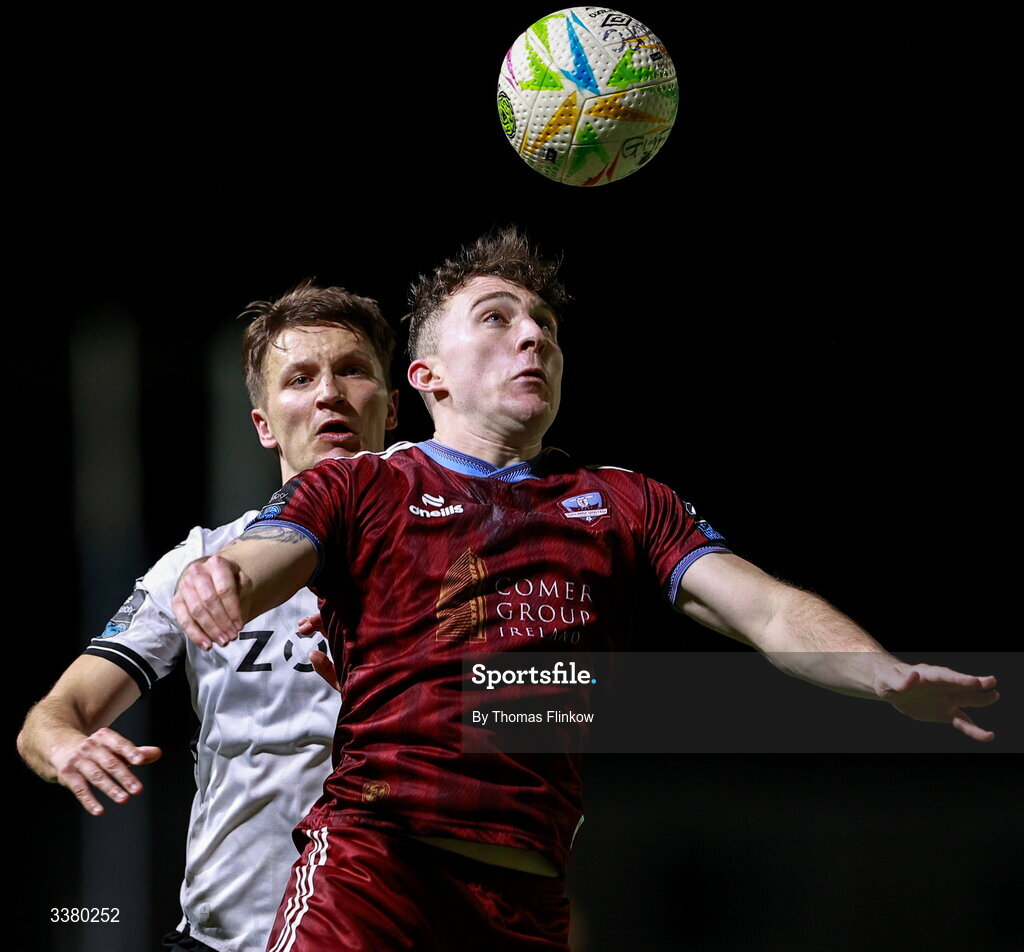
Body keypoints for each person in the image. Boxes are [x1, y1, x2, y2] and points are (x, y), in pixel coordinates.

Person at [173, 230, 999, 952]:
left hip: (524, 902)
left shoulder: (626, 504)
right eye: (496, 318)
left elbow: (770, 609)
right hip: (374, 871)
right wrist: (223, 579)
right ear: (425, 376)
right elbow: (263, 557)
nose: (532, 336)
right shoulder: (363, 487)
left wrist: (880, 672)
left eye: (547, 327)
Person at [17, 281, 399, 952]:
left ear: (393, 407)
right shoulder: (201, 563)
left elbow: (601, 706)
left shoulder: (462, 552)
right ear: (262, 423)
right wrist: (65, 746)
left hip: (398, 928)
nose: (328, 393)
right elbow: (51, 716)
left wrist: (450, 700)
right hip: (227, 938)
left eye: (352, 371)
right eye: (300, 378)